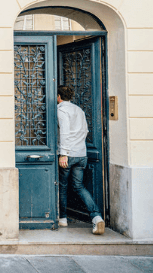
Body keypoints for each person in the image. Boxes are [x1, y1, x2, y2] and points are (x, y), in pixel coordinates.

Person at [57, 85, 105, 235]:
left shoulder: (61, 110)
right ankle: (96, 217)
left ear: (59, 96)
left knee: (63, 186)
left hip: (68, 154)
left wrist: (63, 153)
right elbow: (85, 131)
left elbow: (64, 132)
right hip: (81, 153)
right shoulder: (79, 110)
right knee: (78, 187)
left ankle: (63, 219)